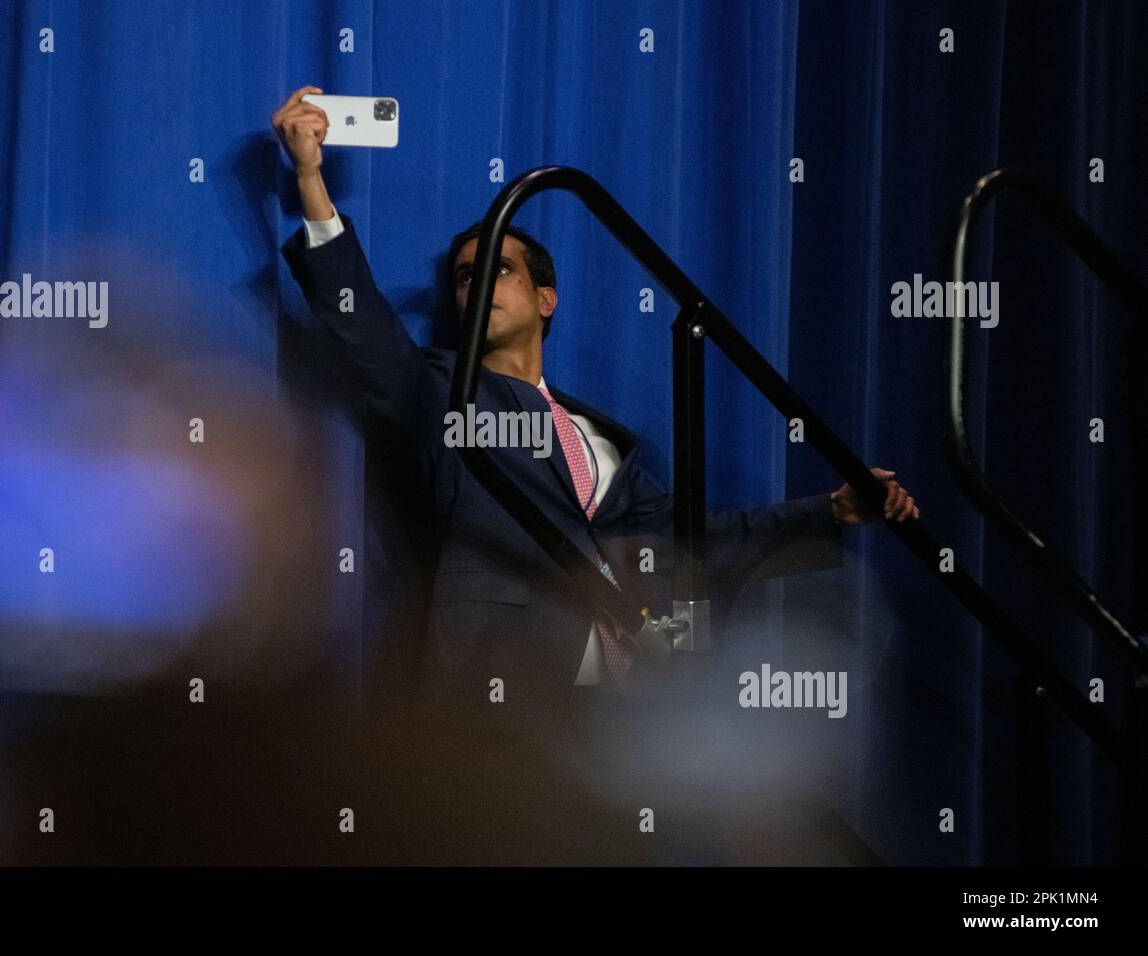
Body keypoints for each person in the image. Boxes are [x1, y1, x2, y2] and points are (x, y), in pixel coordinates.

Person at [271, 85, 919, 722]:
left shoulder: (602, 438)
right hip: (492, 691)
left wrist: (829, 510)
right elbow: (359, 322)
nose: (479, 284)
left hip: (607, 713)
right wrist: (310, 179)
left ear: (545, 297)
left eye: (501, 268)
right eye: (467, 276)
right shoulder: (441, 390)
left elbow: (691, 538)